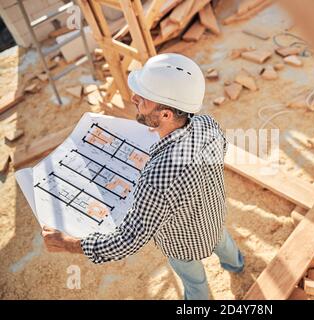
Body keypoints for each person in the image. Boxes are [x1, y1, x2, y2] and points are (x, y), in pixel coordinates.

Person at [42, 53, 244, 300]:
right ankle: (237, 266)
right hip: (215, 220)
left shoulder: (157, 179)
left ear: (167, 115)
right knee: (225, 247)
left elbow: (127, 240)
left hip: (181, 244)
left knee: (194, 282)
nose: (133, 98)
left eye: (144, 99)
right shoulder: (207, 124)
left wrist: (69, 243)